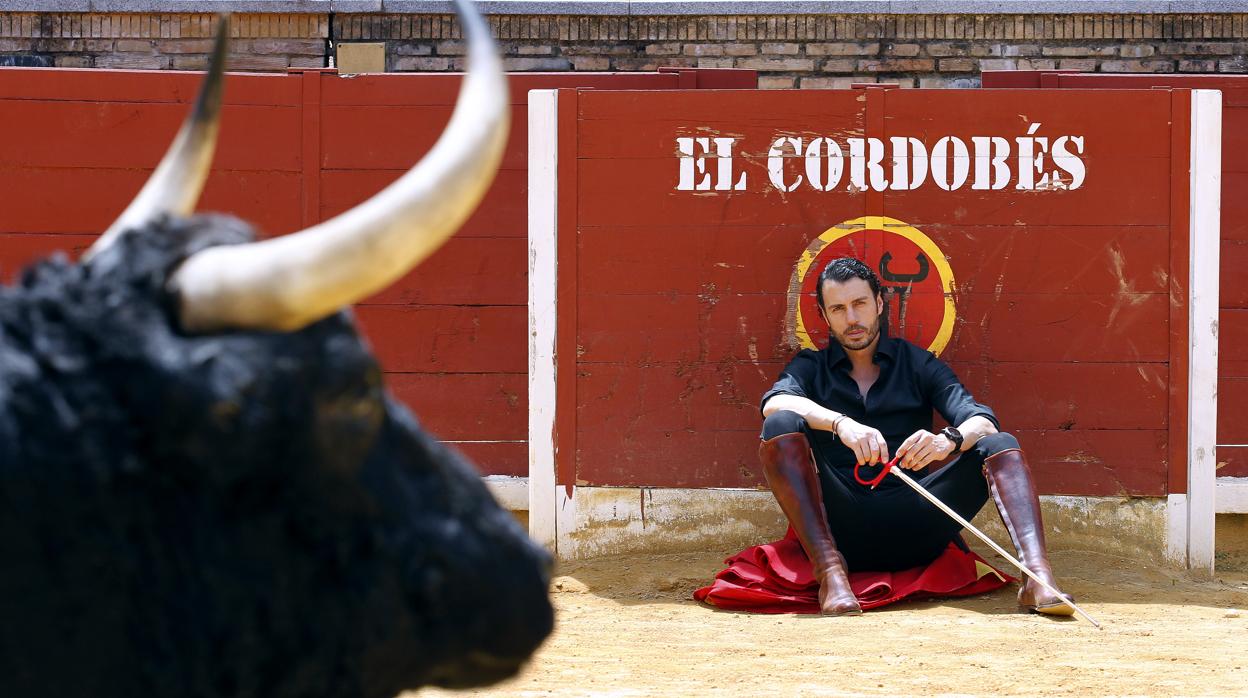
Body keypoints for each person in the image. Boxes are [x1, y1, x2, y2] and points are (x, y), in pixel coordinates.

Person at [759, 256, 1073, 617]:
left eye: (860, 304)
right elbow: (775, 403)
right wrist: (841, 424)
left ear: (879, 303)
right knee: (781, 423)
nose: (852, 319)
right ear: (825, 315)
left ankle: (1038, 578)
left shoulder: (917, 364)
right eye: (839, 308)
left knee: (1000, 444)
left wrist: (947, 442)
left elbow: (984, 423)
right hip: (839, 528)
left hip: (918, 521)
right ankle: (830, 574)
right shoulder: (811, 366)